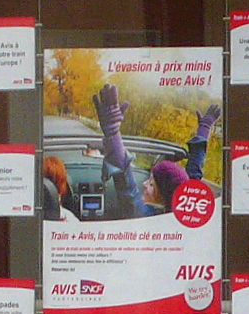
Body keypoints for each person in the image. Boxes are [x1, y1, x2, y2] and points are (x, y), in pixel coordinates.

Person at [90, 84, 219, 219]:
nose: (144, 184)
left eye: (151, 184)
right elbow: (193, 173)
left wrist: (113, 134)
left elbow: (126, 185)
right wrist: (204, 129)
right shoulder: (186, 211)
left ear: (163, 196)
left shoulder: (142, 215)